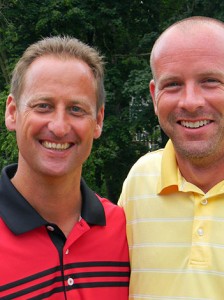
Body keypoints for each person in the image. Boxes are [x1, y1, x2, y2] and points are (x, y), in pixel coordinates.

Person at [118, 16, 224, 299]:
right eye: (173, 84)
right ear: (154, 95)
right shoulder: (141, 181)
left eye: (210, 81)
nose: (190, 101)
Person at [0, 36, 130, 300]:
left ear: (98, 121)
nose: (59, 127)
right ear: (12, 112)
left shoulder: (123, 230)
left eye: (76, 109)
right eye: (43, 106)